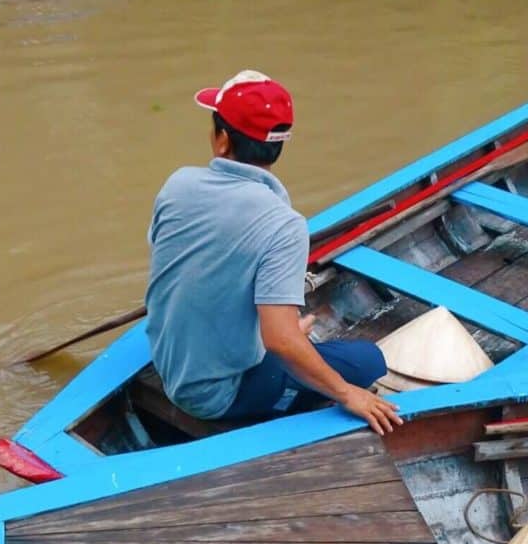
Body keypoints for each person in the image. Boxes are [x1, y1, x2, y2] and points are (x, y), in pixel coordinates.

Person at [144, 70, 402, 435]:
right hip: (214, 397)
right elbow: (279, 340)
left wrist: (285, 334)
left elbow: (185, 269)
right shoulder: (284, 224)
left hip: (169, 364)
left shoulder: (177, 184)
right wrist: (348, 395)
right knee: (367, 362)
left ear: (221, 140)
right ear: (277, 148)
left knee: (296, 340)